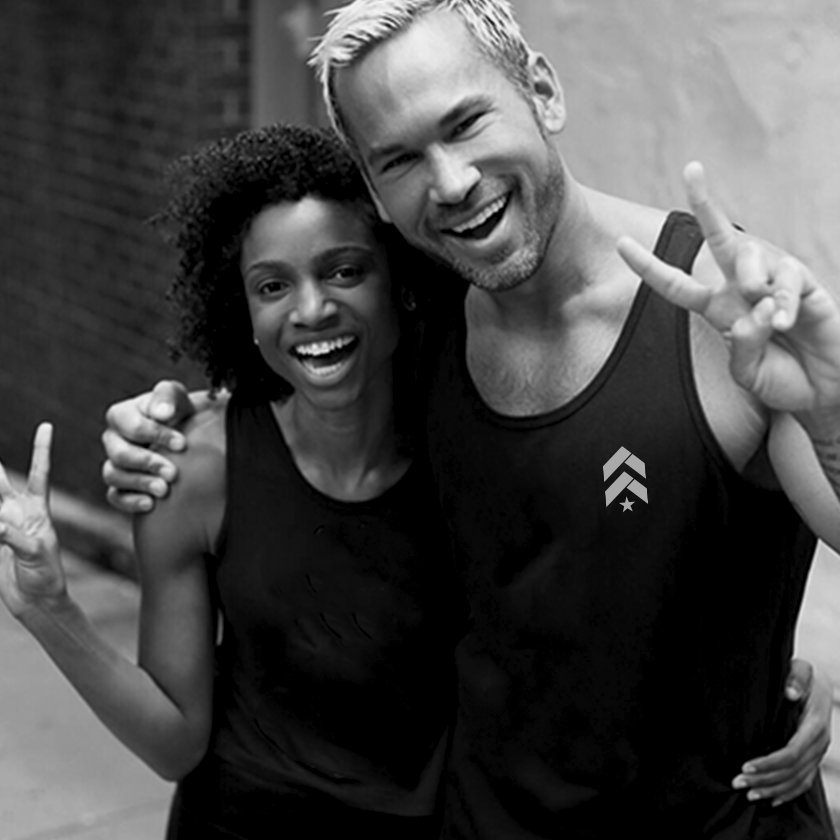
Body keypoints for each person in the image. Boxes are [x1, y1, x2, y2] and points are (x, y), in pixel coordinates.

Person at [99, 0, 840, 836]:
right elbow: (292, 430)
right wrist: (165, 423)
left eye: (465, 123)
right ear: (375, 191)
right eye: (400, 159)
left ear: (543, 92)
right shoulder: (420, 325)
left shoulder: (722, 313)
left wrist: (831, 409)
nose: (451, 182)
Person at [0, 123, 466, 839]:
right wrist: (48, 610)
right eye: (272, 286)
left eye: (345, 271)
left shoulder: (467, 450)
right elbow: (173, 742)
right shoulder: (195, 470)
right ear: (242, 312)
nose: (311, 310)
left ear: (401, 281)